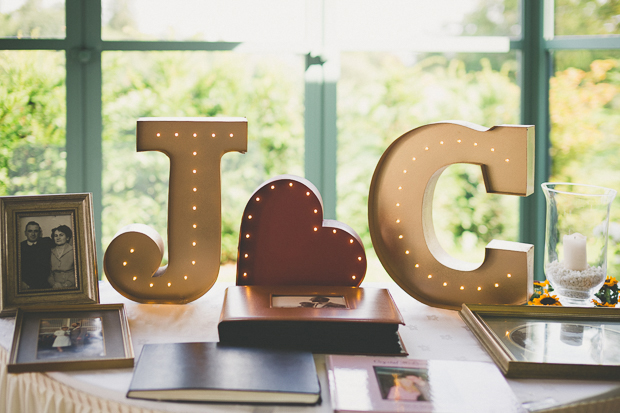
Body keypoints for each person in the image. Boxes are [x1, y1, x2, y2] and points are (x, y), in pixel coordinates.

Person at [20, 221, 54, 290]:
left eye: (36, 231)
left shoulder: (46, 242)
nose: (33, 234)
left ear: (39, 232)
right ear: (25, 233)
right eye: (30, 231)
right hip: (26, 284)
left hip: (45, 283)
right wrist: (20, 282)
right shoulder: (19, 247)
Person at [48, 225, 76, 289]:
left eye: (61, 235)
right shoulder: (50, 251)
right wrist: (53, 284)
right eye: (56, 236)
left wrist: (66, 284)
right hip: (54, 286)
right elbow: (49, 273)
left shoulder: (73, 250)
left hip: (71, 285)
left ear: (67, 238)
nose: (58, 238)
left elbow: (78, 272)